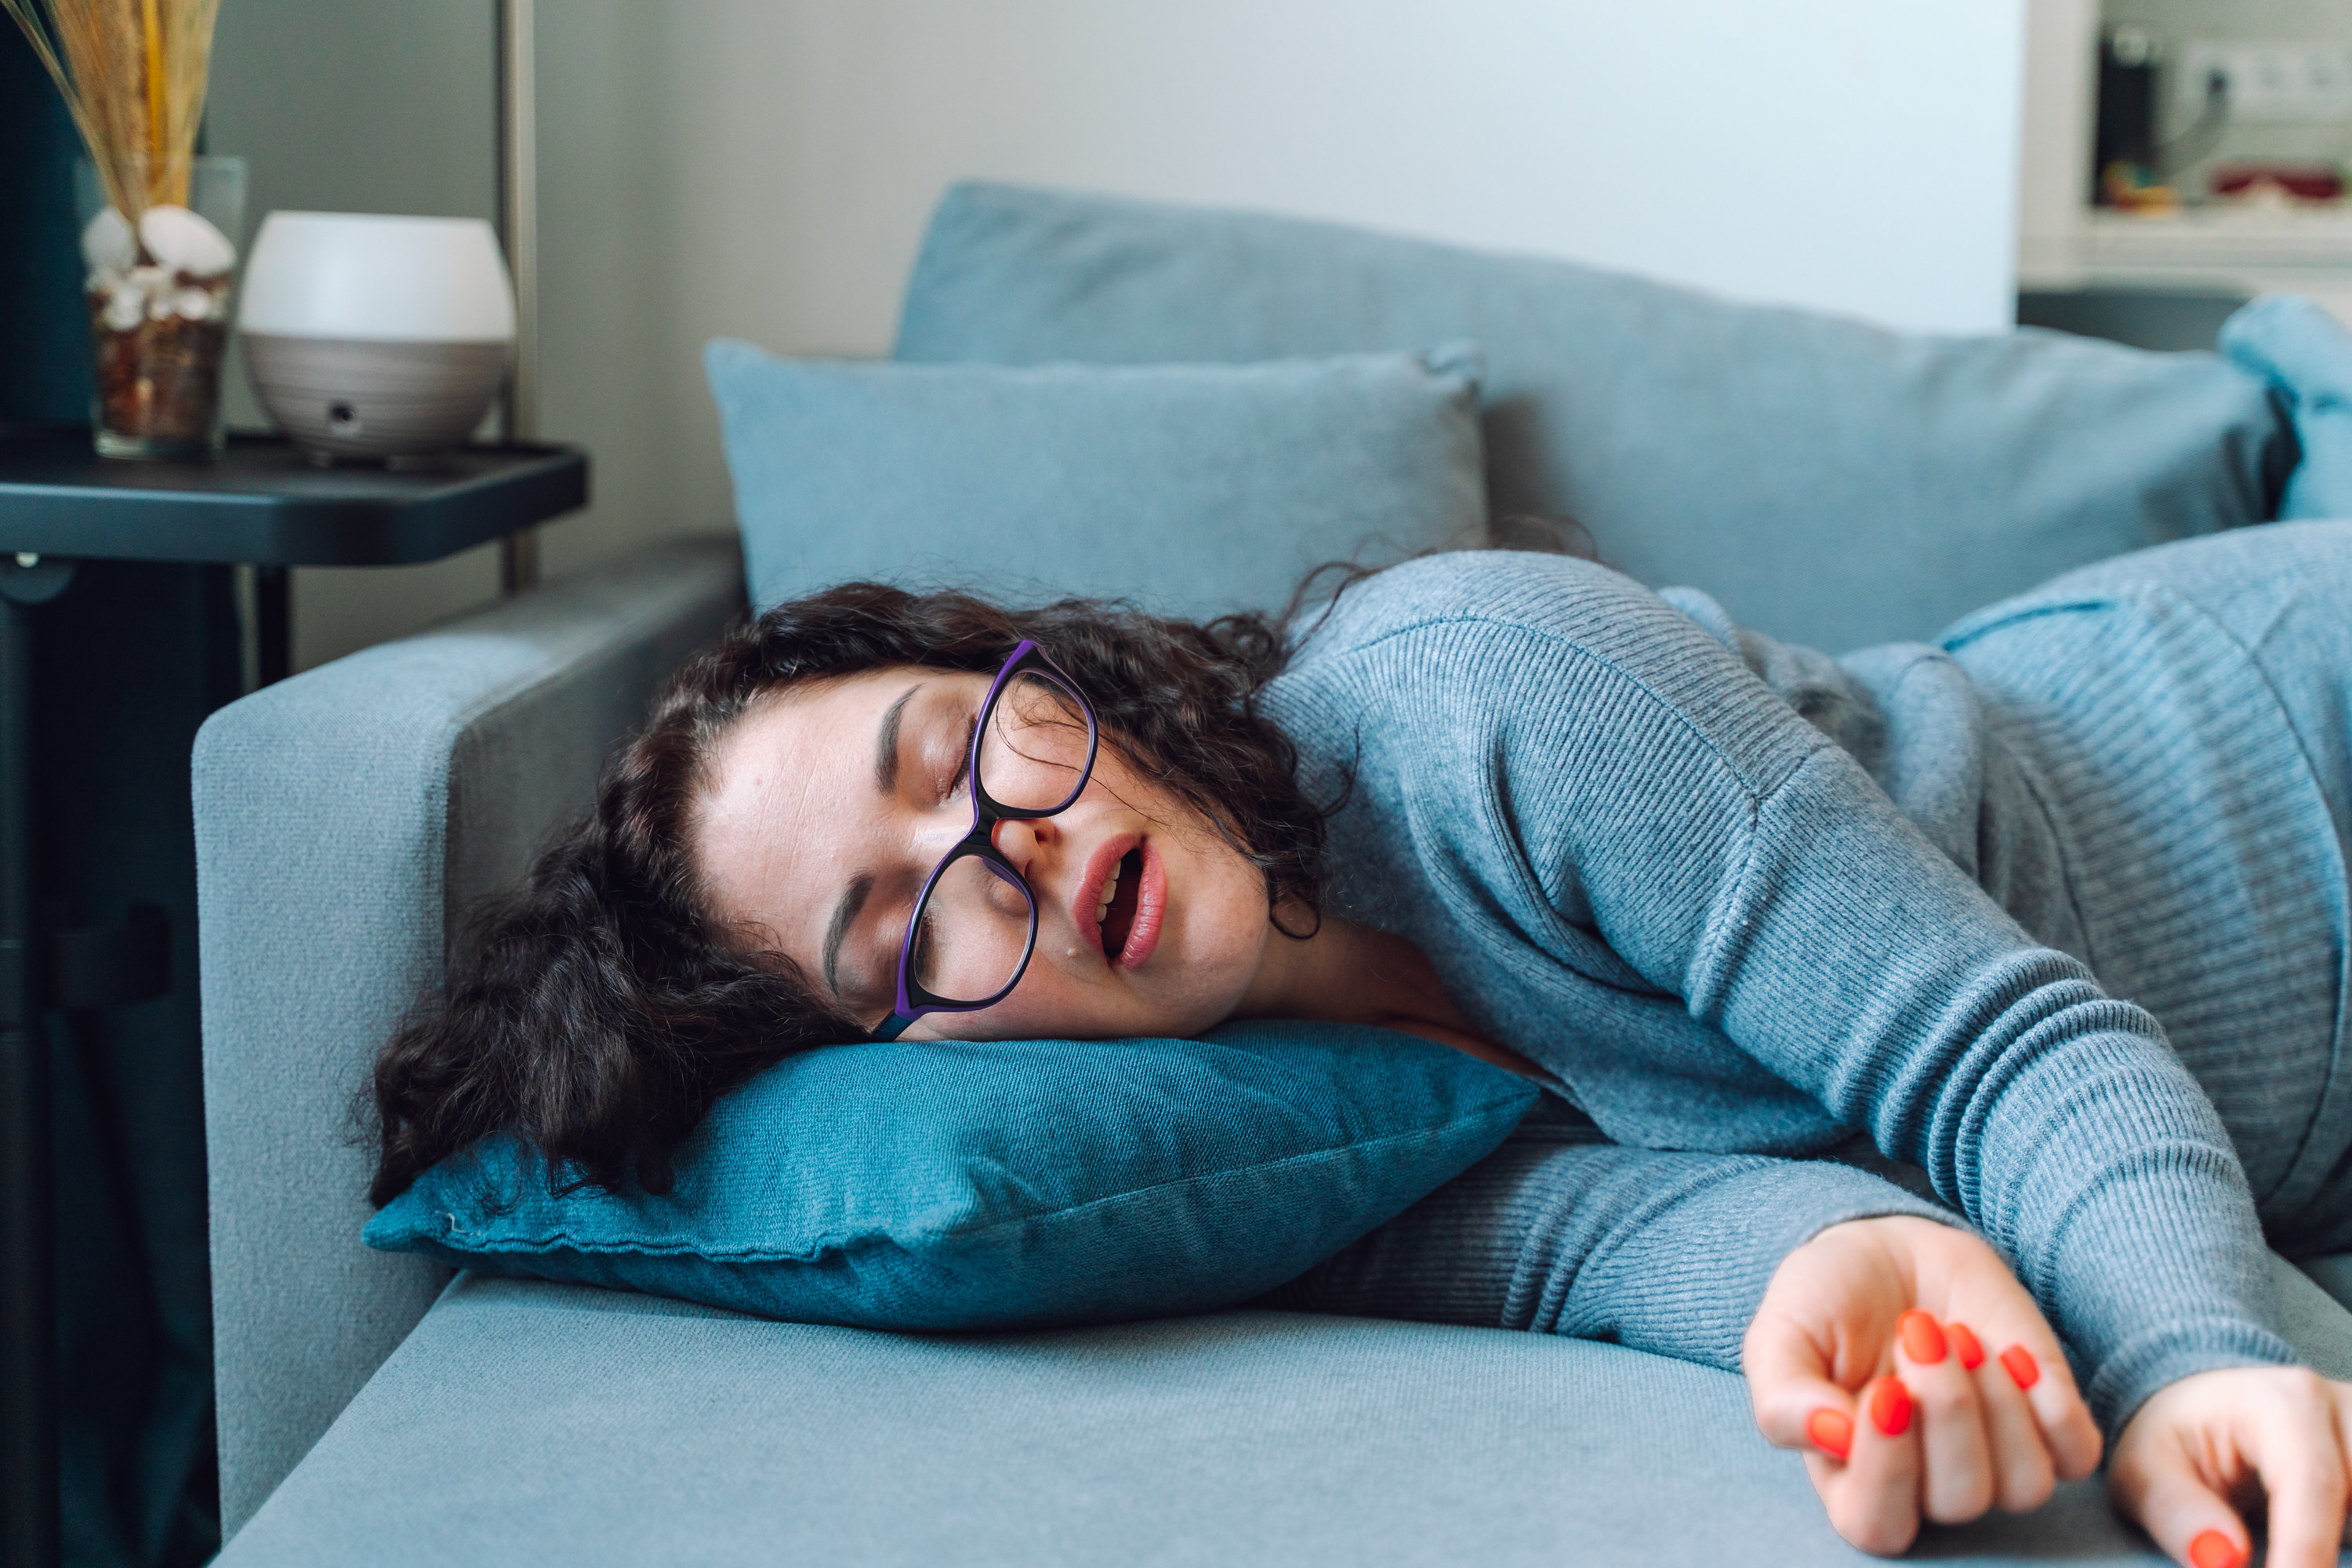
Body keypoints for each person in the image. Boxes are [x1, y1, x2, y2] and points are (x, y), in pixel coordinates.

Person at [368, 520, 2352, 1568]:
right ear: (906, 1049)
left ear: (1037, 675)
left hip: (2289, 754)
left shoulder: (1488, 692)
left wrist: (2188, 1350)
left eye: (963, 744)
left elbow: (2003, 1054)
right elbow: (1591, 1240)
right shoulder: (1261, 1141)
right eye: (910, 919)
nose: (1014, 849)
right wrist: (1840, 1272)